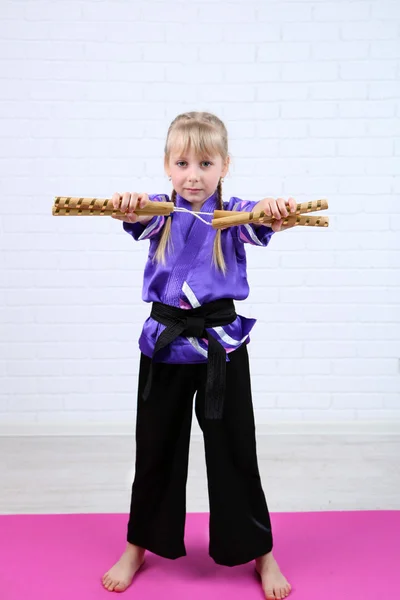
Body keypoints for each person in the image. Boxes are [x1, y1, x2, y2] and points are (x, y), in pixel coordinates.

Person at [101, 112, 294, 600]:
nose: (193, 175)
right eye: (182, 162)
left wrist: (275, 208)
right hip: (165, 341)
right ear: (166, 165)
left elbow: (266, 218)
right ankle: (138, 543)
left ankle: (261, 552)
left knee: (235, 449)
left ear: (225, 165)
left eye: (205, 163)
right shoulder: (157, 210)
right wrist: (126, 206)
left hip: (219, 345)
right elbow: (134, 215)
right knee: (156, 447)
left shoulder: (237, 213)